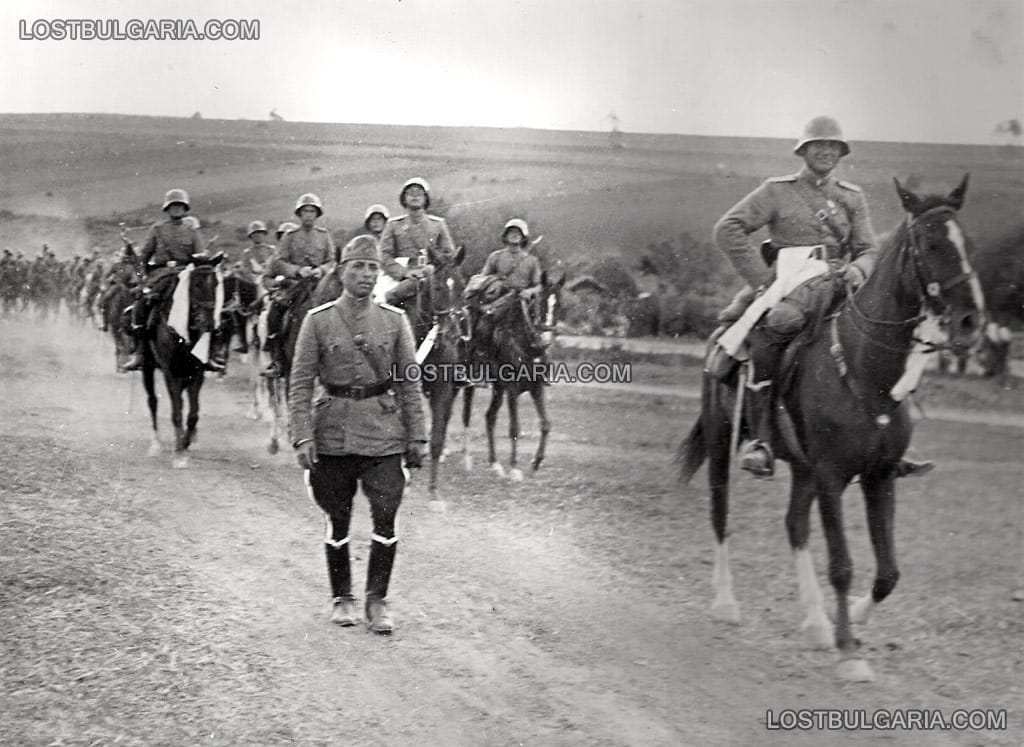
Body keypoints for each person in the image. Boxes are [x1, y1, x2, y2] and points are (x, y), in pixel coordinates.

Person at [712, 115, 934, 479]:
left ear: (841, 153)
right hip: (791, 279)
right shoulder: (776, 191)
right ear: (804, 150)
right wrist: (762, 280)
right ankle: (761, 441)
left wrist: (860, 269)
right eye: (819, 145)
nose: (827, 152)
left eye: (834, 147)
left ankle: (891, 442)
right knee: (776, 326)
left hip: (841, 279)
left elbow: (866, 248)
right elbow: (728, 229)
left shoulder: (851, 196)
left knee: (886, 334)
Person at [288, 234, 428, 633]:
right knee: (338, 516)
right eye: (357, 267)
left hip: (384, 432)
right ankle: (342, 597)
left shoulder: (394, 320)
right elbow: (300, 383)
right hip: (332, 433)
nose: (366, 275)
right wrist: (302, 435)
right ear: (341, 272)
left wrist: (417, 436)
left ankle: (377, 600)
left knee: (387, 517)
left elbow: (409, 384)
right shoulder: (318, 321)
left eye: (371, 268)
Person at [122, 189, 225, 372]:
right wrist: (140, 273)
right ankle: (140, 353)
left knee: (207, 305)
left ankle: (209, 353)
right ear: (167, 209)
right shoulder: (157, 229)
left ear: (185, 209)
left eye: (180, 206)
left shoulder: (191, 230)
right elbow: (144, 257)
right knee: (142, 304)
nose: (176, 209)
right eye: (173, 206)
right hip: (161, 273)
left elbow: (200, 255)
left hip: (185, 273)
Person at [262, 194, 336, 377]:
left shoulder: (324, 236)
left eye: (312, 211)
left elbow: (332, 260)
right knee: (276, 309)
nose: (308, 215)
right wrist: (297, 270)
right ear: (299, 214)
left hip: (320, 284)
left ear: (317, 214)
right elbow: (279, 262)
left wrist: (322, 270)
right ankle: (278, 358)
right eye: (305, 211)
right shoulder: (290, 236)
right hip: (296, 286)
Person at [378, 178, 456, 308]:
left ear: (426, 199)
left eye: (419, 193)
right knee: (384, 300)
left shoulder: (438, 224)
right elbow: (384, 256)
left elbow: (448, 254)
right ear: (404, 199)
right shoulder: (393, 225)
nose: (415, 196)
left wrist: (431, 269)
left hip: (432, 275)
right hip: (399, 277)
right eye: (410, 193)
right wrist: (403, 273)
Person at [476, 218, 545, 356]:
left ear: (523, 237)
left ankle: (536, 356)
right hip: (498, 300)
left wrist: (529, 291)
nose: (514, 235)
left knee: (531, 331)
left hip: (521, 300)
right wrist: (494, 282)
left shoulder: (531, 260)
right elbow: (482, 278)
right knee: (482, 327)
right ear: (505, 236)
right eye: (511, 232)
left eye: (518, 233)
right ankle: (481, 355)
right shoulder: (495, 257)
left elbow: (539, 286)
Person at [98, 232, 143, 331]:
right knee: (105, 299)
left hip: (126, 289)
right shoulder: (116, 265)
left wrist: (133, 287)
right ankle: (105, 323)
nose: (123, 256)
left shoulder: (131, 267)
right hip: (115, 287)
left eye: (125, 255)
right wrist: (104, 284)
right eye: (123, 254)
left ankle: (133, 323)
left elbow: (135, 279)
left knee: (134, 305)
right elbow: (105, 276)